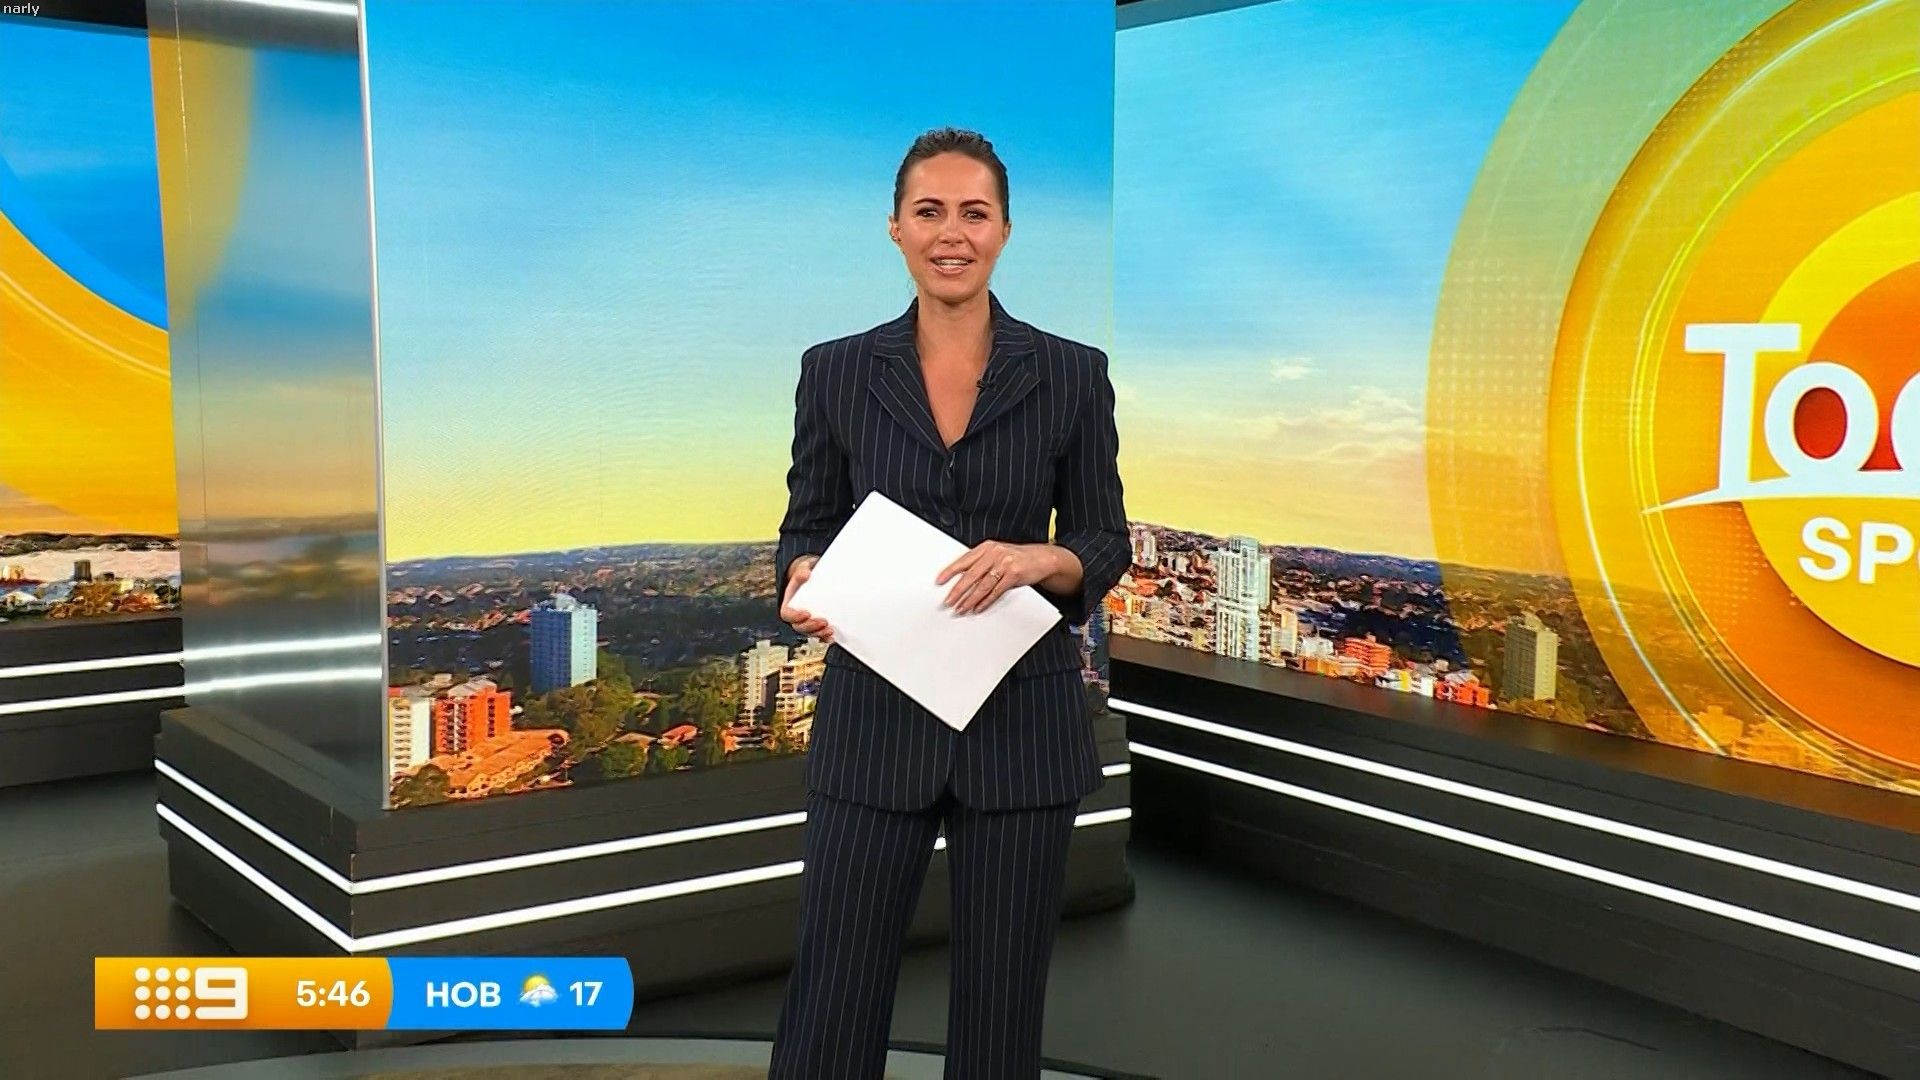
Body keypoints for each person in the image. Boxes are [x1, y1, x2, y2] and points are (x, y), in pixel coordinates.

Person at [766, 127, 1128, 1079]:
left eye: (974, 213)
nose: (951, 233)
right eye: (929, 212)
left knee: (1002, 1014)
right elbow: (806, 525)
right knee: (831, 1001)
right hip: (873, 726)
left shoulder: (1073, 373)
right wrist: (801, 577)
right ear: (895, 228)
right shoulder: (835, 369)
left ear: (1005, 230)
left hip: (1022, 727)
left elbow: (1105, 538)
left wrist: (1039, 558)